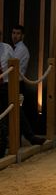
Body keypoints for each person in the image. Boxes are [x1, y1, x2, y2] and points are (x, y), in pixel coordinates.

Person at [11, 25, 46, 146]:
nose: (15, 36)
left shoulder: (21, 50)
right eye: (13, 33)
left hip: (16, 83)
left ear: (22, 36)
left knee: (17, 112)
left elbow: (11, 67)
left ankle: (27, 137)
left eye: (18, 33)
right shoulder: (14, 49)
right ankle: (25, 138)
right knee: (17, 112)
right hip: (13, 83)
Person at [0, 30, 14, 158]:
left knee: (3, 118)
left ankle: (1, 148)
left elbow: (15, 66)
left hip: (4, 86)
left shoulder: (7, 48)